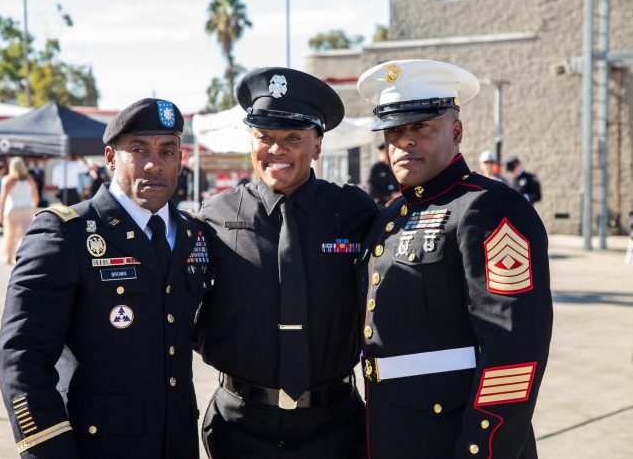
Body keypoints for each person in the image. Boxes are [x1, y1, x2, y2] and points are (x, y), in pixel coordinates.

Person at [356, 60, 553, 458]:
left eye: (421, 127)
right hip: (392, 432)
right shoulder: (389, 218)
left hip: (456, 439)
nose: (405, 142)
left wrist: (482, 447)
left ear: (457, 130)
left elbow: (514, 350)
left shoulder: (489, 207)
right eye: (394, 131)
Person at [0, 98, 209, 459]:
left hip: (177, 444)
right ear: (111, 158)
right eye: (138, 150)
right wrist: (51, 450)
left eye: (167, 150)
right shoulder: (66, 233)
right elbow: (21, 358)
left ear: (180, 159)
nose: (154, 163)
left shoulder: (193, 234)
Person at [197, 67, 377, 458]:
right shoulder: (214, 216)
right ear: (251, 142)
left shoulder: (354, 211)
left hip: (335, 426)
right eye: (264, 137)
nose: (276, 149)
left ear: (317, 146)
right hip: (240, 425)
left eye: (293, 138)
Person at [0, 157, 39, 265]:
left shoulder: (8, 180)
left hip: (12, 209)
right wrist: (34, 208)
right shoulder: (29, 179)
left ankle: (8, 257)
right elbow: (35, 196)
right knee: (25, 236)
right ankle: (26, 257)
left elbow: (3, 198)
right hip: (27, 209)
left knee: (10, 235)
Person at [367, 142, 401, 207]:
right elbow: (372, 191)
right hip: (383, 204)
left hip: (400, 201)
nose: (384, 154)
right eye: (382, 152)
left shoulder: (398, 165)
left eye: (385, 151)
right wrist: (390, 195)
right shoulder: (376, 168)